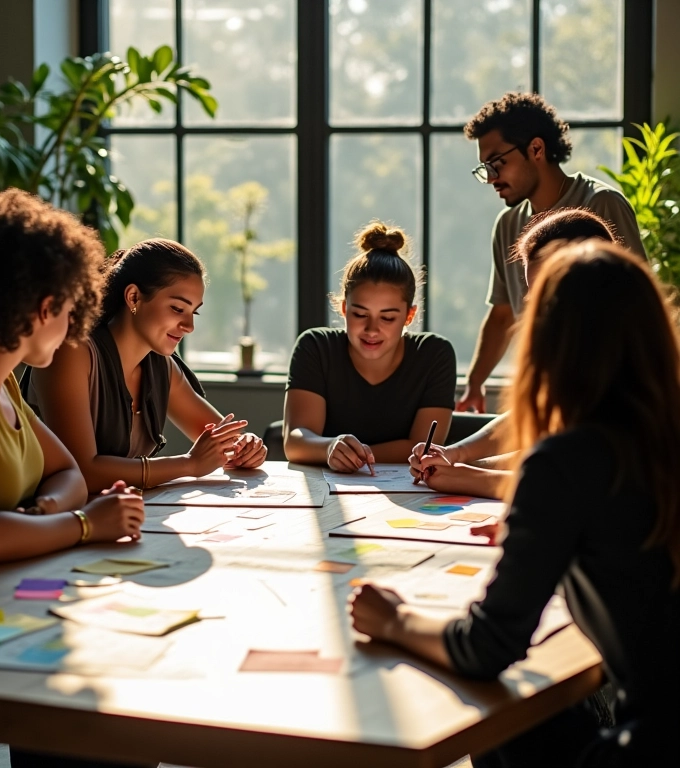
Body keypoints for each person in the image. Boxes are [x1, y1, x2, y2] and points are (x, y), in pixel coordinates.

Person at [350, 241, 679, 766]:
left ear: (548, 345)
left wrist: (395, 620)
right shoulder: (656, 438)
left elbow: (486, 646)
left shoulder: (567, 461)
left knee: (497, 705)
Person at [0, 189, 145, 567]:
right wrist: (86, 524)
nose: (73, 329)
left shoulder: (0, 378)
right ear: (45, 308)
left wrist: (43, 511)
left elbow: (70, 473)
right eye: (71, 312)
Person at [410, 207, 619, 503]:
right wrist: (455, 458)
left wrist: (469, 476)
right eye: (535, 298)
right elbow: (539, 445)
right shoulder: (574, 357)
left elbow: (577, 481)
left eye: (551, 293)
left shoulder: (627, 370)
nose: (539, 314)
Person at [27, 238, 267, 493]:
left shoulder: (161, 367)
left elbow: (224, 442)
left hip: (119, 517)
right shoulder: (72, 352)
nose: (189, 326)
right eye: (177, 308)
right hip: (47, 519)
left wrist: (245, 448)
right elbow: (81, 473)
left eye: (193, 312)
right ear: (133, 297)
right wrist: (188, 464)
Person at [458, 91, 645, 413]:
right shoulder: (507, 225)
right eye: (484, 169)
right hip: (549, 391)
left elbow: (641, 305)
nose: (491, 179)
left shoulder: (601, 205)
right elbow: (503, 313)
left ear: (536, 149)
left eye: (497, 164)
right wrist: (475, 384)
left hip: (606, 396)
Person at [284, 221, 456, 471]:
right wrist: (329, 448)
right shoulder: (315, 347)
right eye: (360, 314)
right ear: (344, 308)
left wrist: (353, 456)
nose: (372, 329)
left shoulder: (434, 354)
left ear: (409, 316)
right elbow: (296, 441)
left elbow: (422, 447)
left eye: (387, 318)